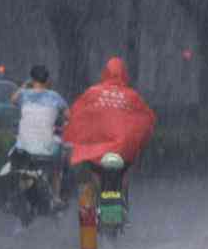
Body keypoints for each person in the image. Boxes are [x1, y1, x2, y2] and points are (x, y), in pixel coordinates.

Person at [62, 56, 156, 201]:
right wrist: (139, 141)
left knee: (85, 177)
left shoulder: (92, 92)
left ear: (105, 73)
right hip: (123, 150)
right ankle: (122, 201)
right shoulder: (132, 96)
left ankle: (87, 214)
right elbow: (147, 120)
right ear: (124, 74)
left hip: (95, 151)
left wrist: (70, 134)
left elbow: (75, 115)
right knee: (126, 171)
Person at [10, 65, 69, 205]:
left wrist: (24, 86)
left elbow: (12, 99)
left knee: (17, 164)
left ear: (31, 79)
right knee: (58, 165)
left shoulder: (24, 94)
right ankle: (56, 197)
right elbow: (68, 116)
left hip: (23, 147)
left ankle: (18, 193)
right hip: (45, 147)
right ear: (47, 80)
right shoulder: (55, 96)